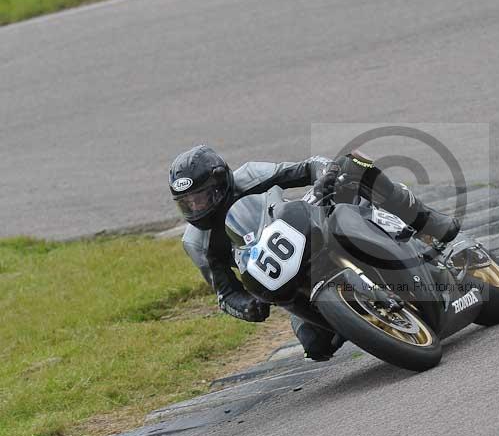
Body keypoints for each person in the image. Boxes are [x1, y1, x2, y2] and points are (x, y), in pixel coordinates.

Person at [168, 145, 460, 360]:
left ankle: (424, 220)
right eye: (187, 203)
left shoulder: (251, 176)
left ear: (221, 183)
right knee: (315, 346)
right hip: (290, 281)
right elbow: (225, 294)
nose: (197, 207)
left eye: (202, 197)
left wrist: (327, 175)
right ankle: (372, 320)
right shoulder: (197, 243)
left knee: (354, 162)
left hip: (308, 229)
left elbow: (308, 167)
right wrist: (248, 306)